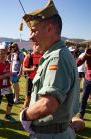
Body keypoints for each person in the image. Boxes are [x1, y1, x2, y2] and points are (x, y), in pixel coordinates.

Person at [19, 0, 79, 138]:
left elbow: (48, 104)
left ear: (50, 29)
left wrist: (25, 115)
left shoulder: (56, 57)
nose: (30, 36)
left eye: (34, 31)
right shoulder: (58, 54)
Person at [0, 48, 16, 126]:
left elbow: (10, 73)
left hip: (7, 86)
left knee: (11, 101)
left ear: (6, 55)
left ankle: (7, 115)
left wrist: (12, 76)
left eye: (4, 54)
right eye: (1, 53)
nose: (2, 55)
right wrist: (5, 75)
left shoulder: (8, 64)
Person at [22, 45, 43, 109]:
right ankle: (23, 114)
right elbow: (23, 69)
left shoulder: (42, 56)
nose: (37, 47)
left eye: (39, 46)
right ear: (33, 47)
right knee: (28, 97)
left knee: (40, 98)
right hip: (30, 79)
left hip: (40, 79)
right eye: (36, 46)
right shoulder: (29, 56)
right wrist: (32, 69)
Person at [76, 46, 91, 120]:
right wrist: (85, 54)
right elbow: (77, 63)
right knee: (84, 97)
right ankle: (81, 114)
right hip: (88, 79)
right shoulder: (88, 53)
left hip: (88, 78)